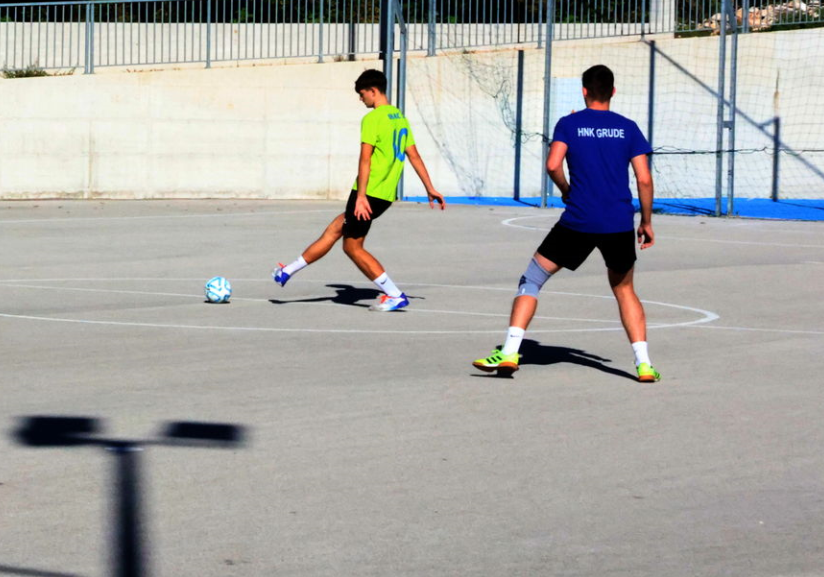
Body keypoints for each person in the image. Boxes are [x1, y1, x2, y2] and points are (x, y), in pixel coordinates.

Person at [474, 64, 658, 382]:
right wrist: (646, 221)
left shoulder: (569, 123)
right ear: (613, 92)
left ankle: (509, 352)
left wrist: (566, 190)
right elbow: (644, 179)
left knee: (532, 279)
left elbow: (552, 164)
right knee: (624, 289)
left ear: (584, 91)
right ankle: (643, 364)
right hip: (617, 223)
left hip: (579, 220)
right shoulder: (628, 128)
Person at [272, 68, 445, 309]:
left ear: (373, 91)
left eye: (362, 94)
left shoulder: (373, 119)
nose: (361, 99)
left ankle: (394, 295)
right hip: (384, 194)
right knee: (336, 228)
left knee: (352, 247)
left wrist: (361, 196)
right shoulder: (399, 117)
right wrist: (430, 187)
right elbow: (413, 155)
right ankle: (286, 271)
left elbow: (365, 159)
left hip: (368, 192)